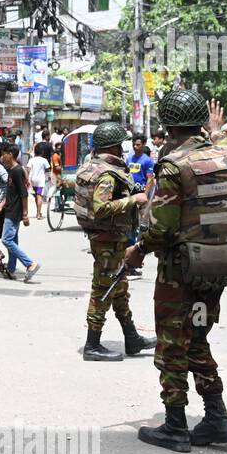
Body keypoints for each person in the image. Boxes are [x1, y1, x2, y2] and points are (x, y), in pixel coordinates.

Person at [122, 90, 227, 453]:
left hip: (180, 271)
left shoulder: (175, 166)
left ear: (168, 126)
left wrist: (137, 251)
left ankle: (175, 424)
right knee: (199, 337)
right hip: (218, 265)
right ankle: (217, 417)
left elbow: (161, 229)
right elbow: (216, 147)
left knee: (174, 344)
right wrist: (216, 130)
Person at [74, 121, 155, 363]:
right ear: (112, 147)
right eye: (120, 145)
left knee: (119, 290)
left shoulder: (91, 166)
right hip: (108, 241)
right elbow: (101, 208)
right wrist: (135, 200)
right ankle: (92, 344)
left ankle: (132, 339)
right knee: (104, 290)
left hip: (109, 240)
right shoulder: (107, 174)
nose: (123, 149)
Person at [0, 144, 41, 282]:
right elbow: (11, 192)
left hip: (14, 211)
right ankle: (10, 269)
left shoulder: (16, 171)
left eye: (4, 154)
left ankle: (30, 264)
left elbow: (23, 194)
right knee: (13, 240)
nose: (2, 157)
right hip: (10, 209)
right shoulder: (12, 170)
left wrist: (25, 214)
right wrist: (2, 205)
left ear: (10, 154)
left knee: (7, 240)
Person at [27, 141, 49, 218]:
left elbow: (28, 169)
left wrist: (28, 179)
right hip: (40, 180)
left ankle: (38, 211)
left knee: (36, 195)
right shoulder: (44, 160)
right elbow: (47, 169)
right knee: (39, 196)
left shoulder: (31, 160)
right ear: (42, 152)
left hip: (32, 179)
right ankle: (38, 214)